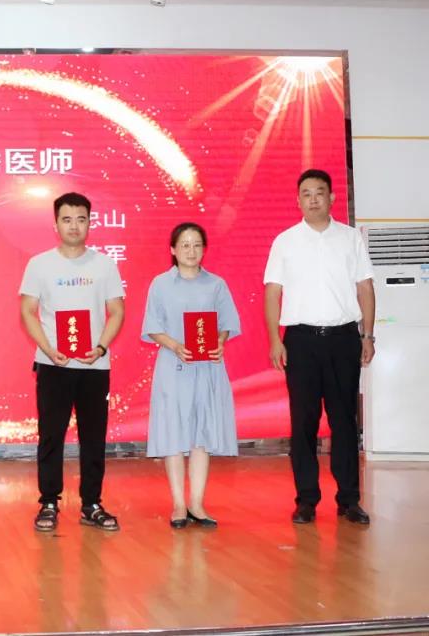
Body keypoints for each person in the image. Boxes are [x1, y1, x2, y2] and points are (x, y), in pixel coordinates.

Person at [264, 168, 375, 525]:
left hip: (343, 339)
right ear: (298, 200)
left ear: (332, 198)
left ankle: (349, 500)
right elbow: (273, 293)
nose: (313, 199)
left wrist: (367, 335)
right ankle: (306, 500)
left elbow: (365, 287)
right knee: (304, 422)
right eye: (306, 194)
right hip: (301, 341)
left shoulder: (350, 238)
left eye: (319, 193)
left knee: (344, 421)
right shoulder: (285, 241)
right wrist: (275, 339)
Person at [20, 192, 125, 532]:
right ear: (56, 224)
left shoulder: (104, 264)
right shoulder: (39, 264)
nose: (74, 226)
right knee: (51, 435)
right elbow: (27, 311)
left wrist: (101, 346)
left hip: (94, 365)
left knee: (93, 437)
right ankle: (49, 502)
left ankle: (91, 503)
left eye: (81, 219)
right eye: (67, 219)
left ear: (90, 222)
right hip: (54, 365)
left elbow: (117, 311)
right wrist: (48, 349)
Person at [141, 222, 240, 529]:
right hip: (174, 366)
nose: (191, 251)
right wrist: (174, 346)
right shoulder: (160, 284)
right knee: (173, 433)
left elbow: (226, 323)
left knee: (202, 434)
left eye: (197, 245)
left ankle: (197, 503)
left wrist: (220, 341)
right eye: (184, 245)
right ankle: (178, 504)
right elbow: (152, 326)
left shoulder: (216, 285)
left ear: (204, 249)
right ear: (173, 249)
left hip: (207, 367)